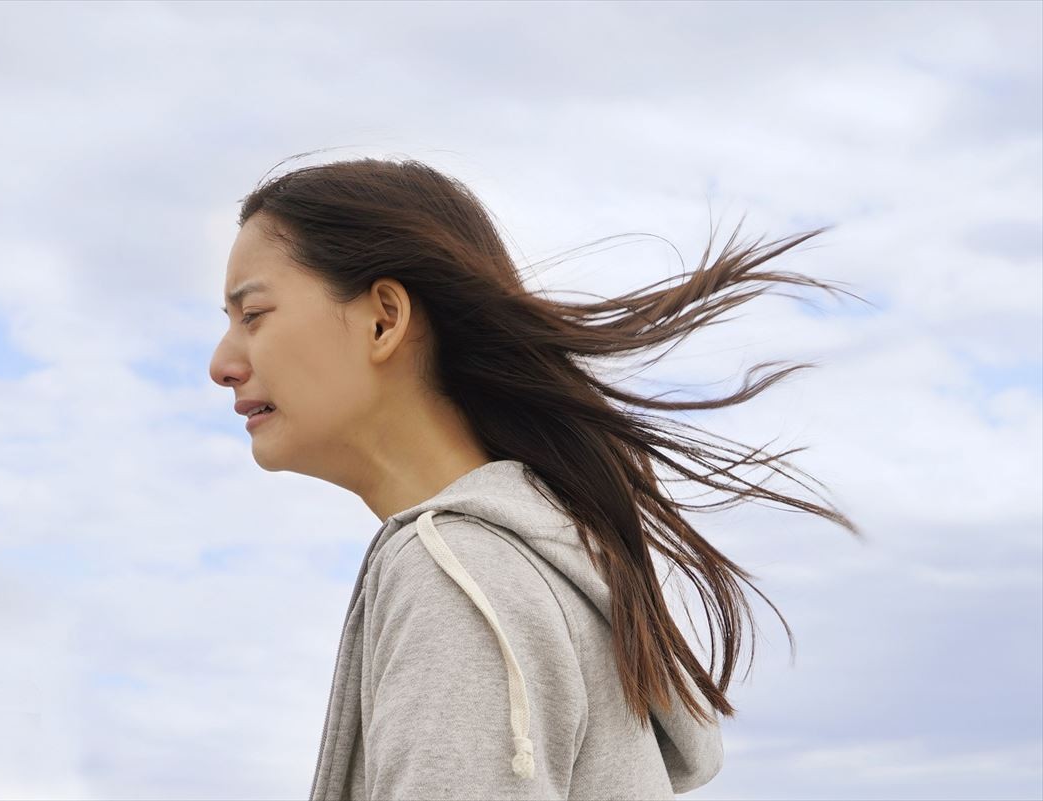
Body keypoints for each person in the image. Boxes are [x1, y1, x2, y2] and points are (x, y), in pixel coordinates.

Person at [208, 155, 866, 800]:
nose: (222, 363)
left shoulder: (457, 576)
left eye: (253, 314)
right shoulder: (547, 564)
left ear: (385, 317)